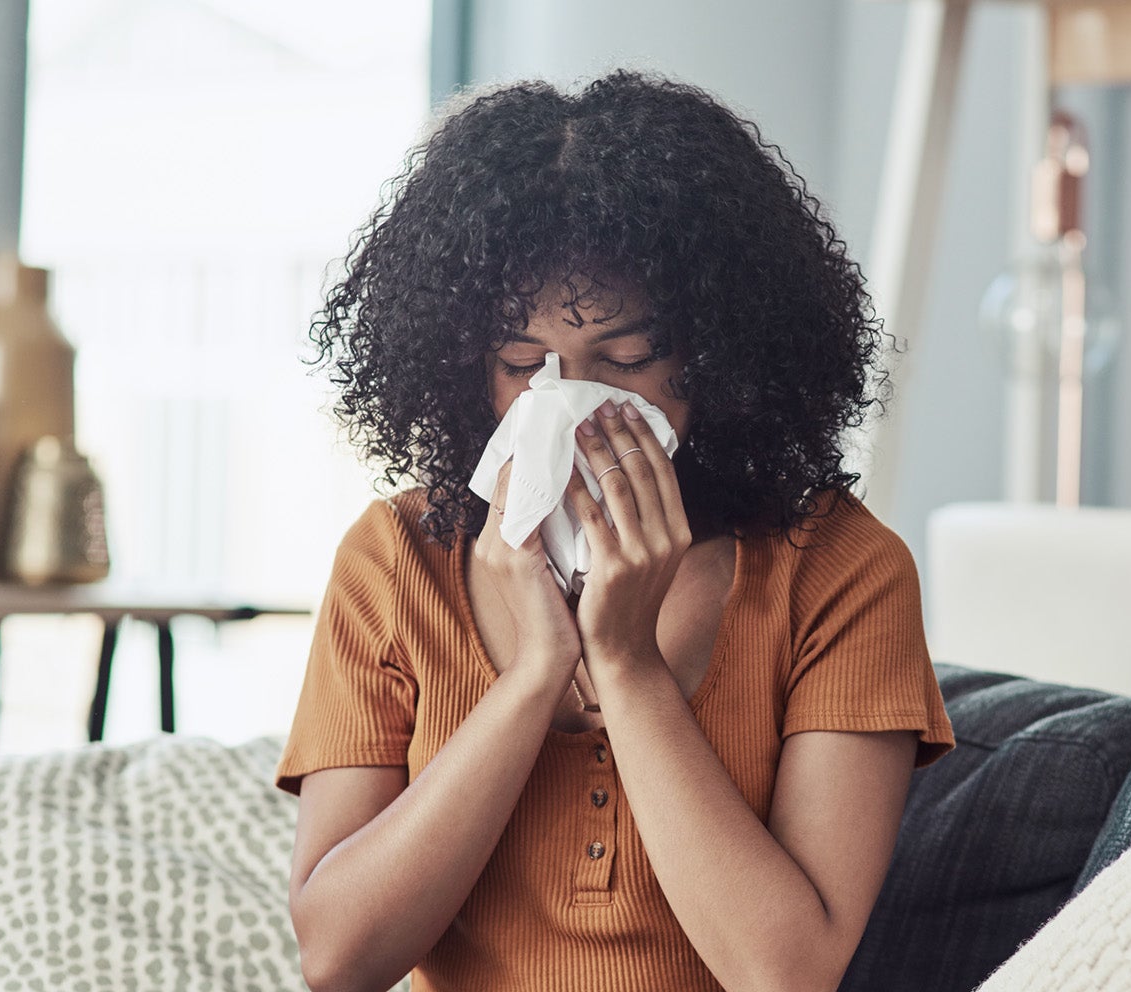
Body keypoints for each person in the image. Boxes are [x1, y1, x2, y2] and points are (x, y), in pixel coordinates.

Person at [275, 70, 953, 992]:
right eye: (523, 365)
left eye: (628, 359)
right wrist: (529, 678)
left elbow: (786, 973)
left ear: (722, 352)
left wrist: (627, 663)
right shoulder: (395, 561)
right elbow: (338, 958)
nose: (571, 407)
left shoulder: (842, 570)